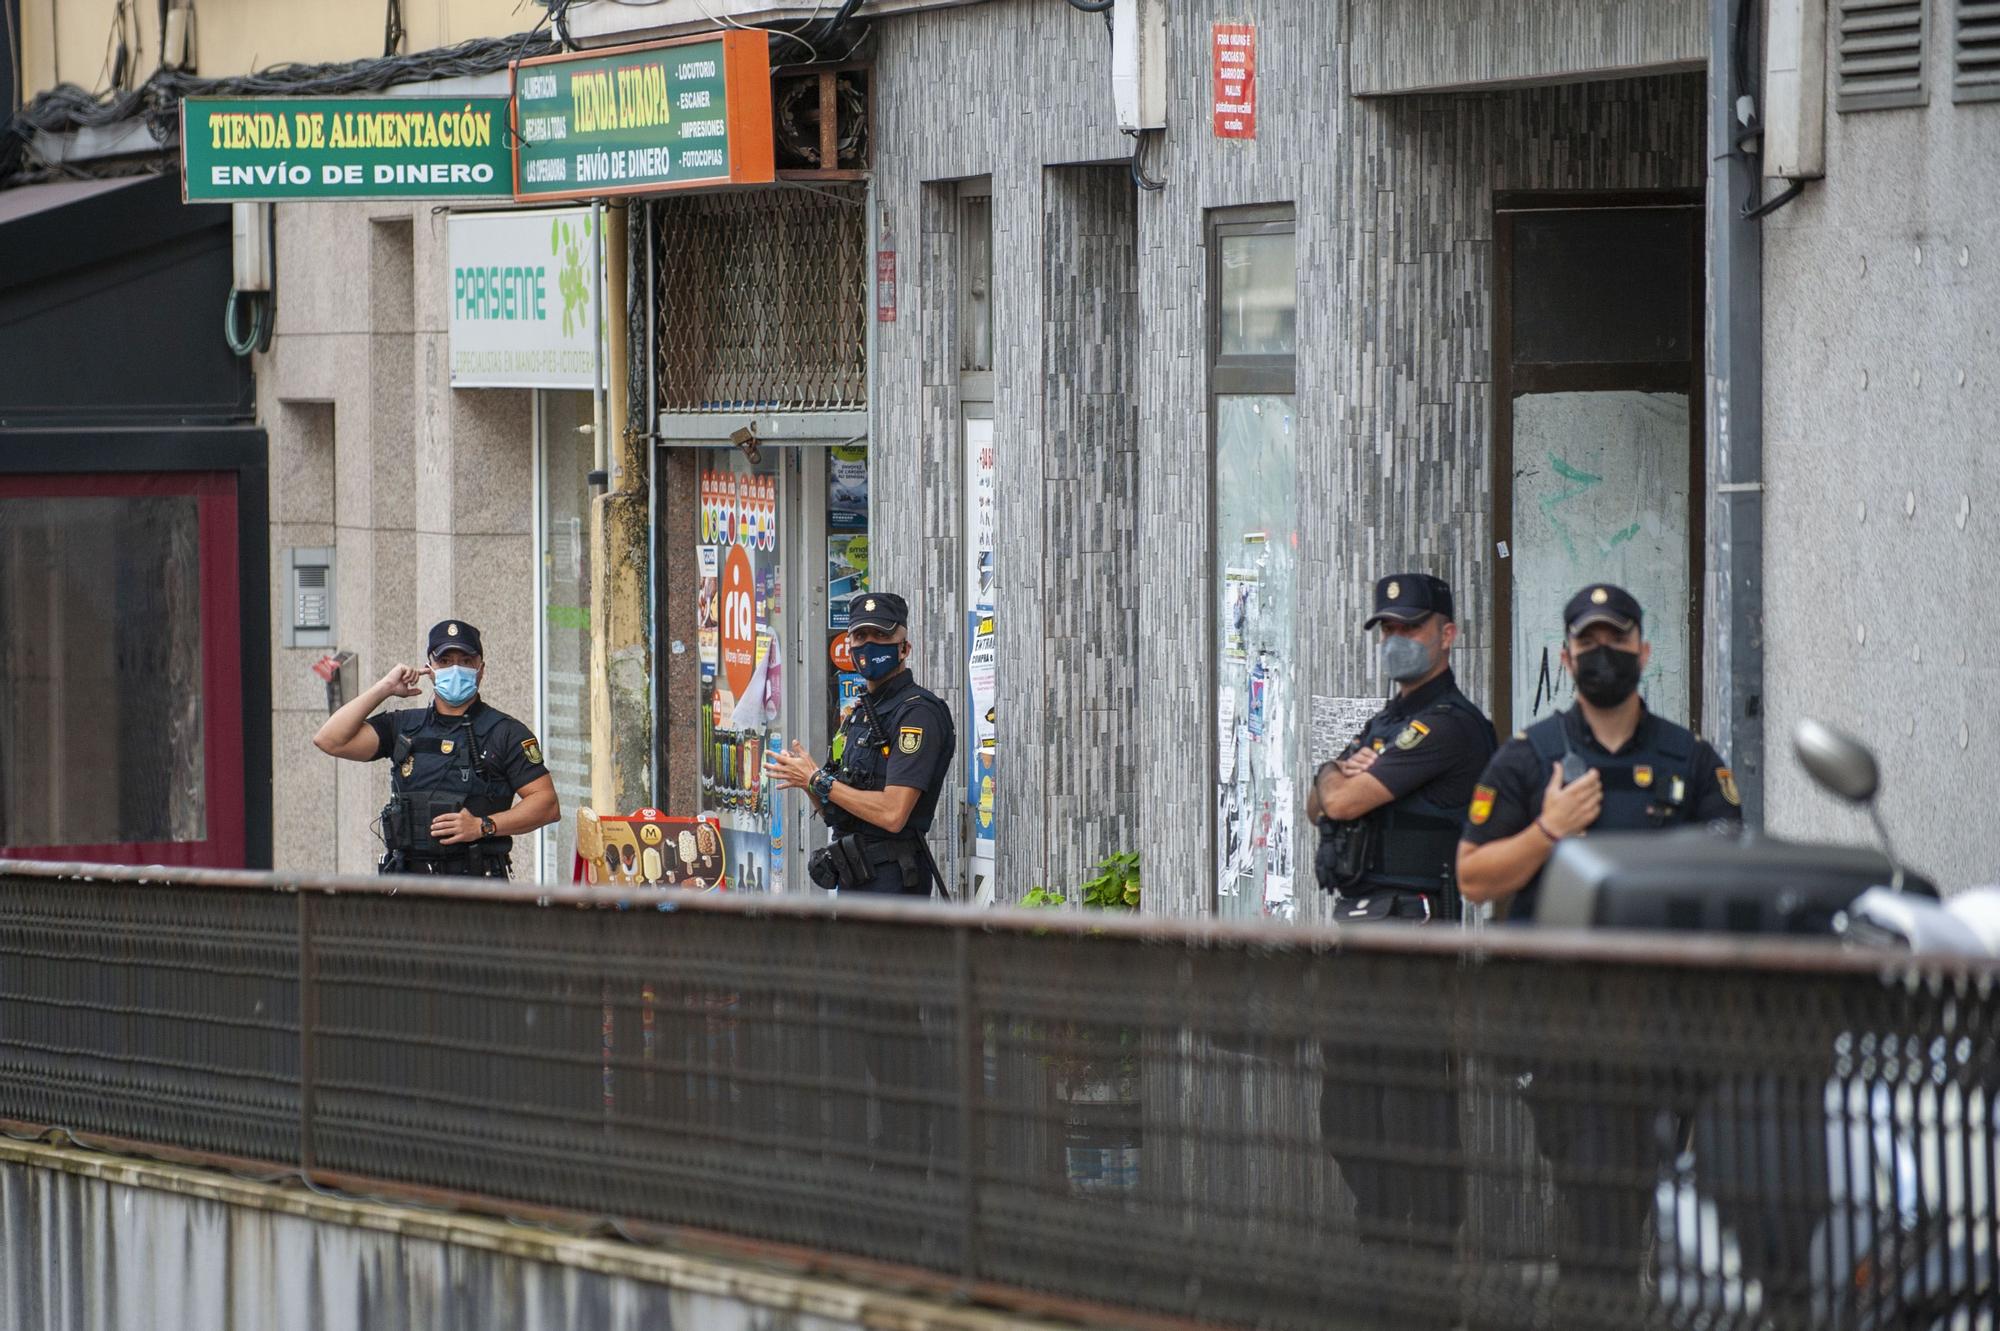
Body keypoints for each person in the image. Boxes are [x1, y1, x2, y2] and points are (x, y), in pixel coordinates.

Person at [1455, 583, 1740, 1305]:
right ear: (1566, 654)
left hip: (1679, 1032)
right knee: (1600, 1236)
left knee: (1698, 1240)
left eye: (1617, 641)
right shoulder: (1530, 759)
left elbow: (1735, 880)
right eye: (1588, 643)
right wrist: (1549, 828)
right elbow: (1473, 876)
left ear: (1644, 651)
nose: (1603, 655)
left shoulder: (1690, 761)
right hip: (1571, 1036)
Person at [1310, 573, 1494, 1312]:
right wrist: (1334, 775)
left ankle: (1428, 1279)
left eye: (1410, 627)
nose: (1396, 640)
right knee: (1351, 1112)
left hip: (1414, 938)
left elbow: (1344, 799)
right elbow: (1317, 793)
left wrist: (1341, 782)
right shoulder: (1388, 719)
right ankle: (1383, 1259)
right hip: (1361, 934)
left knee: (1414, 1114)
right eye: (1386, 628)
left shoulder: (1449, 723)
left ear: (1447, 633)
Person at [312, 619, 559, 876]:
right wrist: (384, 688)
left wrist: (482, 825)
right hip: (410, 886)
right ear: (429, 668)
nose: (455, 669)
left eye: (465, 661)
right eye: (445, 661)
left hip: (476, 888)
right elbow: (330, 739)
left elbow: (547, 804)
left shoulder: (505, 732)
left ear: (481, 669)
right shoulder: (404, 726)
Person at [769, 592, 956, 896]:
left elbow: (893, 814)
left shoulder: (917, 713)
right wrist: (807, 780)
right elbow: (837, 813)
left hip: (894, 887)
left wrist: (820, 781)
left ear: (904, 648)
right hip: (854, 878)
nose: (869, 644)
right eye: (860, 635)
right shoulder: (860, 715)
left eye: (881, 635)